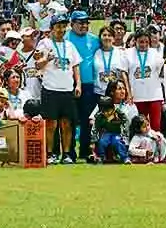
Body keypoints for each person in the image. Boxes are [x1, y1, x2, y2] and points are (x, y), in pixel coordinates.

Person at [35, 14, 82, 164]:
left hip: (67, 89)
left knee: (67, 123)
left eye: (63, 26)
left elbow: (75, 66)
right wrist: (47, 59)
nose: (61, 29)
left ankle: (66, 153)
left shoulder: (70, 45)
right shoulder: (44, 43)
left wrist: (78, 84)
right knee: (51, 123)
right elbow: (37, 65)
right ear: (51, 28)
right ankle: (50, 153)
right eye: (58, 26)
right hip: (50, 88)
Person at [67, 10, 101, 162]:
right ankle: (69, 151)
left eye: (86, 22)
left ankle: (85, 150)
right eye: (80, 23)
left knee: (87, 119)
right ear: (72, 24)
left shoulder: (94, 39)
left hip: (89, 84)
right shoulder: (66, 38)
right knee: (71, 119)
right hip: (69, 83)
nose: (83, 25)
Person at [125, 30, 163, 132]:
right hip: (136, 95)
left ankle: (157, 147)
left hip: (154, 95)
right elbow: (124, 73)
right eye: (141, 42)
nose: (144, 44)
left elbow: (160, 71)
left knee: (156, 126)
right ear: (135, 41)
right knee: (139, 128)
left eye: (146, 42)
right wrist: (128, 93)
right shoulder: (127, 53)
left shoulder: (155, 53)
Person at [93, 95, 130, 164]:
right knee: (102, 141)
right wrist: (93, 140)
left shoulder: (119, 113)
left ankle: (125, 158)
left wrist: (125, 132)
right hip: (106, 133)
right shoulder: (99, 116)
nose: (106, 113)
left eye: (108, 111)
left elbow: (125, 121)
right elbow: (95, 127)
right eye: (104, 112)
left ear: (112, 107)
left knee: (117, 142)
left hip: (117, 133)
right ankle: (101, 157)